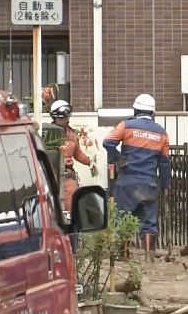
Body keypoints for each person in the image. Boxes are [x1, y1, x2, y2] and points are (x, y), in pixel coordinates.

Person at [103, 94, 171, 263]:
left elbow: (107, 142)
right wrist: (165, 185)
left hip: (127, 182)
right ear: (152, 112)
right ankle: (149, 258)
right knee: (148, 222)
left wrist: (119, 159)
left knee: (123, 216)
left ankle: (124, 254)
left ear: (136, 110)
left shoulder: (126, 126)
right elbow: (164, 163)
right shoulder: (161, 133)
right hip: (148, 184)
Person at [49, 100, 96, 211]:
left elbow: (77, 153)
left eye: (66, 117)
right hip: (50, 175)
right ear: (54, 118)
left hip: (67, 175)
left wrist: (90, 161)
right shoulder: (46, 133)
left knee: (71, 206)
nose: (64, 120)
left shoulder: (72, 134)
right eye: (61, 118)